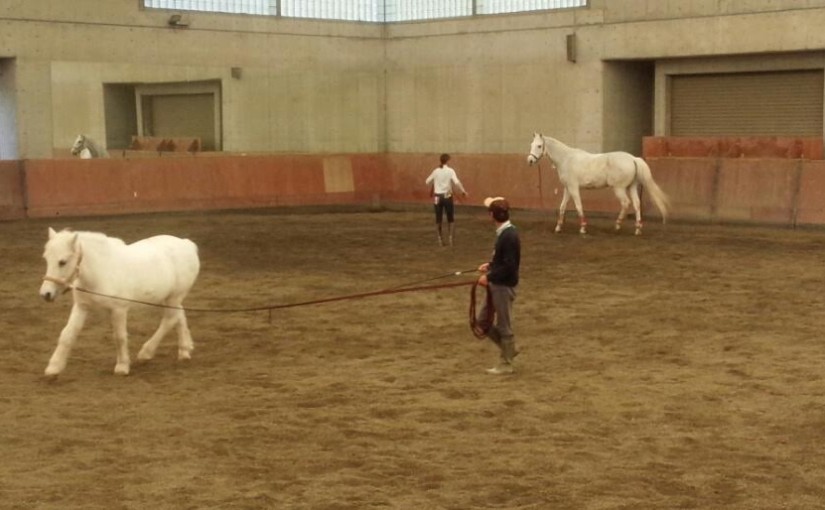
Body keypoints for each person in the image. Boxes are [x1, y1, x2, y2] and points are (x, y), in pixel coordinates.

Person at [477, 196, 521, 375]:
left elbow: (510, 266)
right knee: (482, 321)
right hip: (498, 283)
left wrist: (490, 276)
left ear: (492, 216)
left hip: (503, 286)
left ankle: (506, 362)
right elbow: (504, 260)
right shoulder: (506, 233)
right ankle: (509, 349)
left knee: (504, 325)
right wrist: (490, 265)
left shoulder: (508, 236)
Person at [425, 153, 468, 246]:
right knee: (450, 218)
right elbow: (457, 182)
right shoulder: (450, 171)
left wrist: (436, 183)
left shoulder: (436, 171)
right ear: (447, 161)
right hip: (447, 196)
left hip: (437, 197)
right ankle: (450, 238)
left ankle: (440, 238)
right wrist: (463, 191)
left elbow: (427, 181)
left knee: (438, 218)